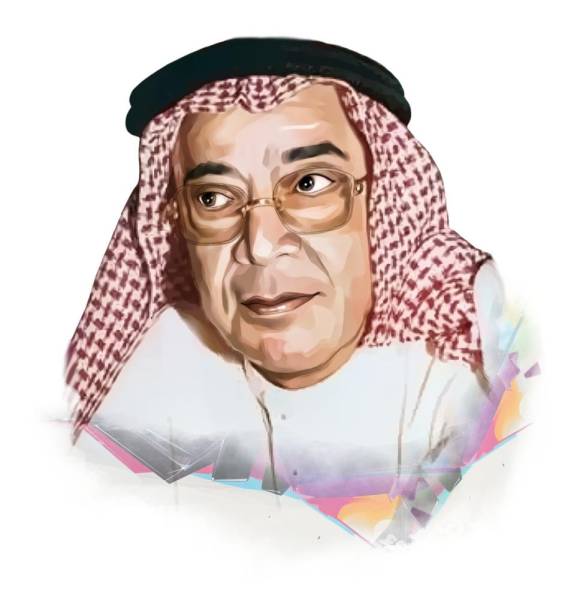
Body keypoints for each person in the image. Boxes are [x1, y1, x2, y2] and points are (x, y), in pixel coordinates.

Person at [65, 38, 511, 545]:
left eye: (309, 185)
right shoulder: (163, 356)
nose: (260, 246)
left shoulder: (468, 383)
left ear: (380, 203)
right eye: (213, 198)